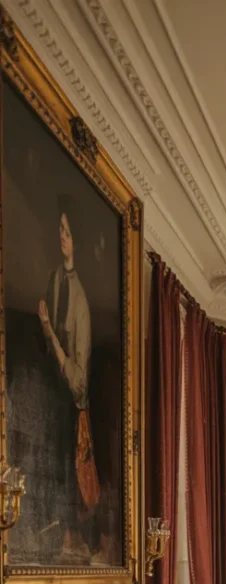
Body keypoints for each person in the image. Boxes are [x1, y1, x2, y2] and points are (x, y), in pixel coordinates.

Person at [38, 194, 100, 562]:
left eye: (67, 232)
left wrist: (51, 335)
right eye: (60, 230)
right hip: (51, 396)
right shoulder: (53, 280)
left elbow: (79, 383)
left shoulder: (81, 303)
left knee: (66, 478)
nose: (62, 237)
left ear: (77, 240)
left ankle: (70, 539)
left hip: (70, 408)